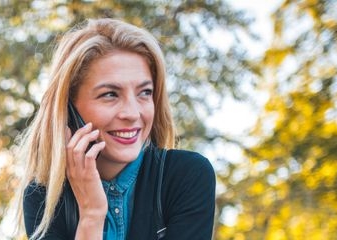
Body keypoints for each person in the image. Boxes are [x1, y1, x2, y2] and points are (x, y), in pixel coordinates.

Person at [15, 18, 216, 239]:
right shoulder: (43, 198)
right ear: (69, 108)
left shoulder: (186, 176)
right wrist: (91, 215)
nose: (132, 113)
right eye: (110, 94)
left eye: (144, 92)